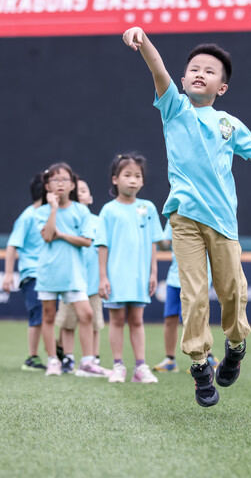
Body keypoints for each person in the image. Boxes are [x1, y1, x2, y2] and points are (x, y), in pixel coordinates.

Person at [123, 27, 251, 407]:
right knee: (193, 296)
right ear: (182, 78)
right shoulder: (174, 107)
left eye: (209, 71)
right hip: (184, 218)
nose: (199, 74)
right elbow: (156, 68)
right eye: (193, 68)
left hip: (223, 222)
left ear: (221, 88)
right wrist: (142, 41)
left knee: (232, 293)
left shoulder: (230, 124)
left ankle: (236, 345)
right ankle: (199, 364)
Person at [35, 162, 110, 378]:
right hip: (49, 273)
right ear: (48, 185)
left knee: (86, 314)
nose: (60, 184)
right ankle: (53, 361)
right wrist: (54, 209)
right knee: (48, 316)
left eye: (65, 179)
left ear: (72, 184)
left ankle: (87, 362)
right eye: (55, 180)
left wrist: (63, 235)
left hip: (75, 274)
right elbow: (48, 235)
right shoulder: (43, 211)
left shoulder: (81, 211)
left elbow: (86, 241)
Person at [96, 152, 163, 384]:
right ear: (115, 179)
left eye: (137, 176)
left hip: (139, 277)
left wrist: (153, 273)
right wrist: (103, 276)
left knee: (137, 320)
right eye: (127, 175)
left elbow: (154, 243)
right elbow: (102, 245)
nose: (133, 180)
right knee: (116, 320)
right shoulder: (108, 210)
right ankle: (117, 365)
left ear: (143, 181)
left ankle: (140, 367)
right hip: (115, 277)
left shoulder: (149, 208)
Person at [153, 220, 219, 373]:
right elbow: (164, 245)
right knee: (170, 319)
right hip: (174, 278)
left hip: (195, 278)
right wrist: (154, 231)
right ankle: (170, 360)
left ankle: (207, 357)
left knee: (196, 319)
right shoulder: (173, 217)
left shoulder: (201, 216)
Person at [55, 178, 105, 374]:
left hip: (92, 283)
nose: (80, 193)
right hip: (71, 280)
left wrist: (103, 277)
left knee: (93, 323)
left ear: (91, 198)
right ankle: (67, 357)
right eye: (78, 191)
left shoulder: (99, 222)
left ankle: (93, 357)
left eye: (84, 190)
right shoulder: (64, 219)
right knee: (68, 322)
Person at [2, 174, 46, 371]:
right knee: (38, 313)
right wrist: (9, 274)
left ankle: (58, 353)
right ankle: (33, 357)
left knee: (52, 315)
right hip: (33, 274)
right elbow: (12, 245)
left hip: (50, 274)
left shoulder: (51, 214)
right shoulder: (28, 216)